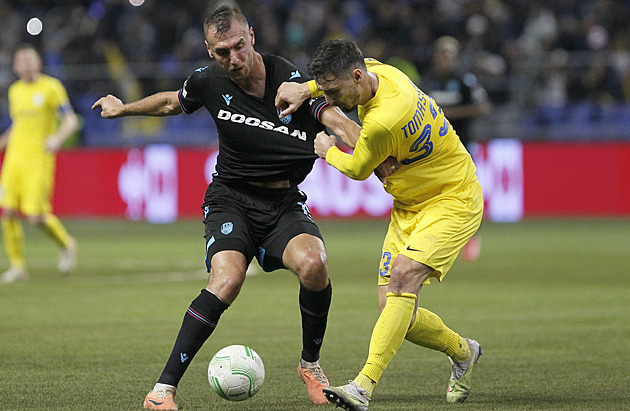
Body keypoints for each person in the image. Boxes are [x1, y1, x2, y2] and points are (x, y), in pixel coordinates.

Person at [92, 6, 397, 410]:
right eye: (221, 52)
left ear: (251, 36)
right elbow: (171, 102)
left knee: (315, 264)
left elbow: (338, 122)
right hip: (230, 199)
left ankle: (311, 366)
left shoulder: (289, 82)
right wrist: (123, 108)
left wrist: (380, 160)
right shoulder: (207, 81)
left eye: (238, 46)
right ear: (209, 50)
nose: (233, 59)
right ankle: (162, 391)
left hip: (282, 201)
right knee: (227, 280)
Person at [276, 39, 484, 410]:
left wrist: (327, 150)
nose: (333, 100)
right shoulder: (380, 72)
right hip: (409, 206)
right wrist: (307, 89)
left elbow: (358, 168)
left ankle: (362, 386)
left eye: (335, 91)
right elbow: (365, 61)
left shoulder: (384, 118)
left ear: (356, 78)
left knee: (402, 278)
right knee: (392, 305)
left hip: (451, 200)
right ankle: (463, 351)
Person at [0, 44, 79, 285]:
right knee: (7, 212)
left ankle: (66, 243)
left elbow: (71, 120)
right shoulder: (14, 91)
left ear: (39, 63)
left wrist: (56, 138)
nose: (25, 64)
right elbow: (19, 125)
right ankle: (17, 267)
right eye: (21, 60)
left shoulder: (51, 87)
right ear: (14, 66)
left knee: (35, 216)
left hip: (38, 158)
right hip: (14, 159)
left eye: (30, 59)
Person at [421, 36, 491, 262]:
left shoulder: (465, 80)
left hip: (462, 148)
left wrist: (447, 114)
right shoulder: (427, 80)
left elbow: (482, 107)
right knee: (434, 193)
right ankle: (439, 237)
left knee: (465, 193)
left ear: (456, 58)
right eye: (442, 54)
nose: (445, 59)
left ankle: (472, 237)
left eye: (450, 55)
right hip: (433, 149)